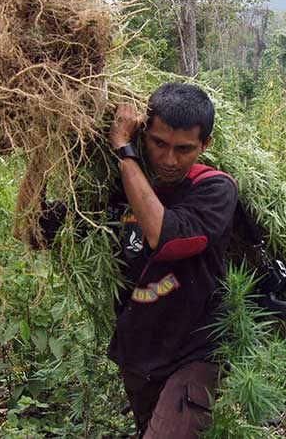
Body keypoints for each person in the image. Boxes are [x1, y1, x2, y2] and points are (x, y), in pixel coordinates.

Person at [34, 83, 238, 438]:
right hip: (139, 354)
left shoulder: (215, 190)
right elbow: (33, 232)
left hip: (194, 352)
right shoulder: (113, 188)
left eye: (184, 149)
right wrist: (40, 151)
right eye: (159, 143)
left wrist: (123, 150)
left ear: (205, 145)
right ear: (144, 132)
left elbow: (164, 237)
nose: (170, 159)